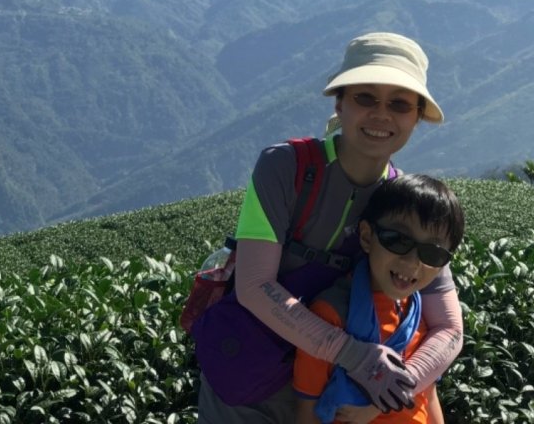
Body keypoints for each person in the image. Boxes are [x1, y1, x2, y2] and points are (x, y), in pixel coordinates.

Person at [194, 32, 465, 423]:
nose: (382, 115)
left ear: (416, 116)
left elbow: (450, 329)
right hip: (248, 382)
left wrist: (394, 386)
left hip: (332, 396)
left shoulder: (405, 203)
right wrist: (357, 358)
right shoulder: (285, 167)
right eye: (365, 98)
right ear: (340, 102)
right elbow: (254, 286)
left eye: (400, 104)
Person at [293, 174, 466, 424]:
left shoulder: (418, 311)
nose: (412, 262)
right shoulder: (330, 316)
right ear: (366, 237)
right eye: (397, 240)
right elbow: (307, 411)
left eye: (432, 253)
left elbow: (427, 396)